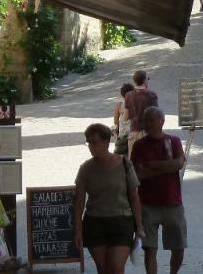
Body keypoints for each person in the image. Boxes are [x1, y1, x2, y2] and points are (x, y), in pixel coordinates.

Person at [73, 122, 144, 274]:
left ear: (106, 142)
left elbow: (134, 196)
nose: (92, 146)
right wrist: (78, 231)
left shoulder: (125, 164)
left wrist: (139, 226)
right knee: (103, 269)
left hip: (121, 221)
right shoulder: (86, 169)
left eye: (95, 142)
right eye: (89, 143)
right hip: (95, 222)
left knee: (116, 268)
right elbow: (79, 202)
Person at [131, 108, 186, 274]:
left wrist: (152, 165)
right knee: (150, 249)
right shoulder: (139, 145)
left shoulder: (174, 141)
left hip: (172, 201)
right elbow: (138, 173)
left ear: (161, 121)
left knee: (179, 246)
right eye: (145, 120)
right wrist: (167, 166)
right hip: (147, 203)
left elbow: (178, 164)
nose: (147, 124)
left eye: (151, 120)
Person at [124, 70, 158, 157]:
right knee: (149, 161)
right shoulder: (151, 95)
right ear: (144, 80)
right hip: (148, 133)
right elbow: (156, 115)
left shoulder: (128, 95)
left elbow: (125, 117)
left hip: (134, 132)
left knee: (134, 162)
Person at [113, 83, 134, 156]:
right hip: (134, 134)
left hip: (123, 135)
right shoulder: (136, 104)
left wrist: (115, 132)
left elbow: (115, 122)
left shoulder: (119, 105)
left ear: (122, 94)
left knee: (118, 157)